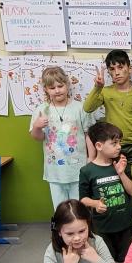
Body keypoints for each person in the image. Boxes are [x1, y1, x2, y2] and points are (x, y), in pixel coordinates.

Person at [30, 66, 95, 209]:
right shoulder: (42, 110)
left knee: (79, 209)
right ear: (46, 89)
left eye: (60, 86)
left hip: (79, 169)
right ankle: (62, 226)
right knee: (60, 210)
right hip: (55, 172)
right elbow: (38, 137)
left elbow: (88, 134)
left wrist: (91, 158)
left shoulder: (80, 108)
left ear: (67, 84)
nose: (57, 90)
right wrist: (37, 127)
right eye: (52, 88)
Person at [79, 122, 132, 262]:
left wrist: (121, 173)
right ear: (99, 146)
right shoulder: (87, 171)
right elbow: (83, 199)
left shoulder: (121, 164)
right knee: (108, 262)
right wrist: (95, 203)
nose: (119, 146)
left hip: (125, 225)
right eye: (114, 143)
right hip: (102, 227)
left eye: (119, 142)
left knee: (125, 260)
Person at [84, 49, 132, 165]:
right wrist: (98, 87)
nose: (117, 72)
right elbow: (87, 108)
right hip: (113, 144)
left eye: (120, 67)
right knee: (115, 175)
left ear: (130, 69)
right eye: (112, 69)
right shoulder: (106, 91)